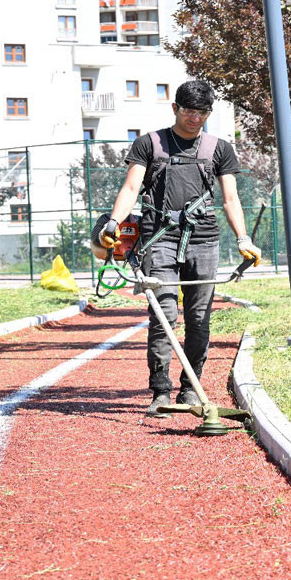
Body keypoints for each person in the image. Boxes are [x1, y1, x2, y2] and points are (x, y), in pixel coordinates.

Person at [97, 79, 260, 417]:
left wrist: (243, 239)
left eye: (202, 112)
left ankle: (190, 389)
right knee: (164, 317)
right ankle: (160, 391)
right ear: (175, 109)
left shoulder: (219, 148)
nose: (194, 118)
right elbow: (131, 188)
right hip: (160, 238)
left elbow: (230, 198)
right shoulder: (150, 144)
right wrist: (113, 224)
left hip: (204, 240)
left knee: (199, 319)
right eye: (188, 111)